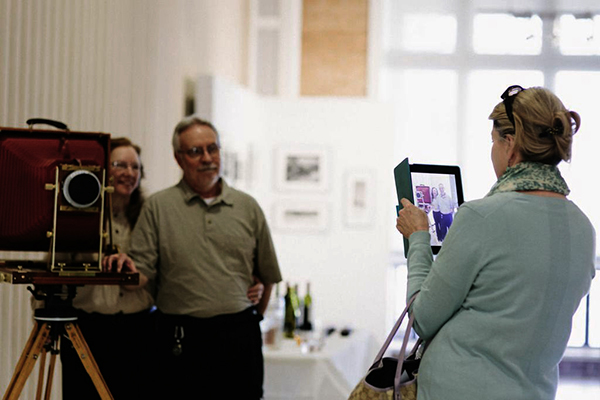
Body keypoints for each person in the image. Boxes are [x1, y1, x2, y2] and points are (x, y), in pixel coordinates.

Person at [395, 85, 595, 400]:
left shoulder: (480, 216)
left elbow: (422, 318)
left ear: (509, 144)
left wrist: (418, 237)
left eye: (493, 141)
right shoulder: (583, 228)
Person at [104, 116, 282, 399]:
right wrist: (122, 271)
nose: (207, 158)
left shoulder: (247, 207)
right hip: (179, 341)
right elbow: (141, 274)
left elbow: (268, 274)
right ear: (178, 158)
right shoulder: (158, 207)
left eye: (213, 148)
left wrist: (252, 319)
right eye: (195, 151)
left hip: (238, 340)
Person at [60, 137, 155, 400]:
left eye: (135, 167)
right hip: (87, 329)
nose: (129, 173)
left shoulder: (150, 215)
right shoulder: (77, 214)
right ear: (102, 170)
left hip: (138, 329)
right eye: (120, 165)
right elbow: (55, 268)